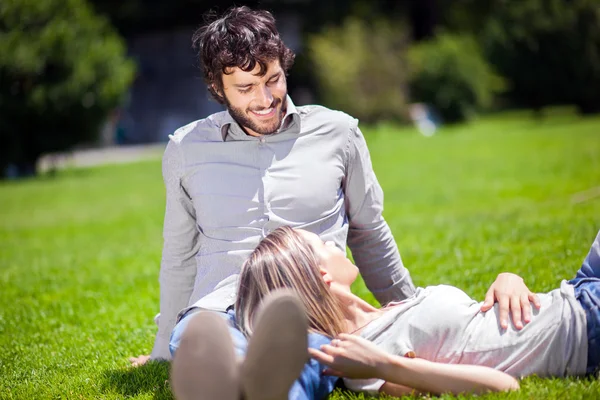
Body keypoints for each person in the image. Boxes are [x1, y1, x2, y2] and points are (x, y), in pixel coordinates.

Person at [130, 5, 540, 399]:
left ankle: (264, 389)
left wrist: (406, 307)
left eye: (273, 79)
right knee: (208, 337)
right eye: (246, 88)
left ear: (284, 66)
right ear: (218, 88)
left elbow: (368, 231)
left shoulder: (338, 133)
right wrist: (163, 345)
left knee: (306, 354)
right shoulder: (187, 149)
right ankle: (230, 380)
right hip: (221, 305)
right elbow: (180, 253)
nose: (264, 98)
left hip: (307, 307)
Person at [233, 226, 599, 396]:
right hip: (583, 325)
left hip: (576, 289)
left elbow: (478, 323)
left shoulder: (387, 312)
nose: (333, 242)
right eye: (321, 243)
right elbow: (504, 386)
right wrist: (384, 366)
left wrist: (509, 278)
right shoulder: (364, 357)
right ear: (321, 275)